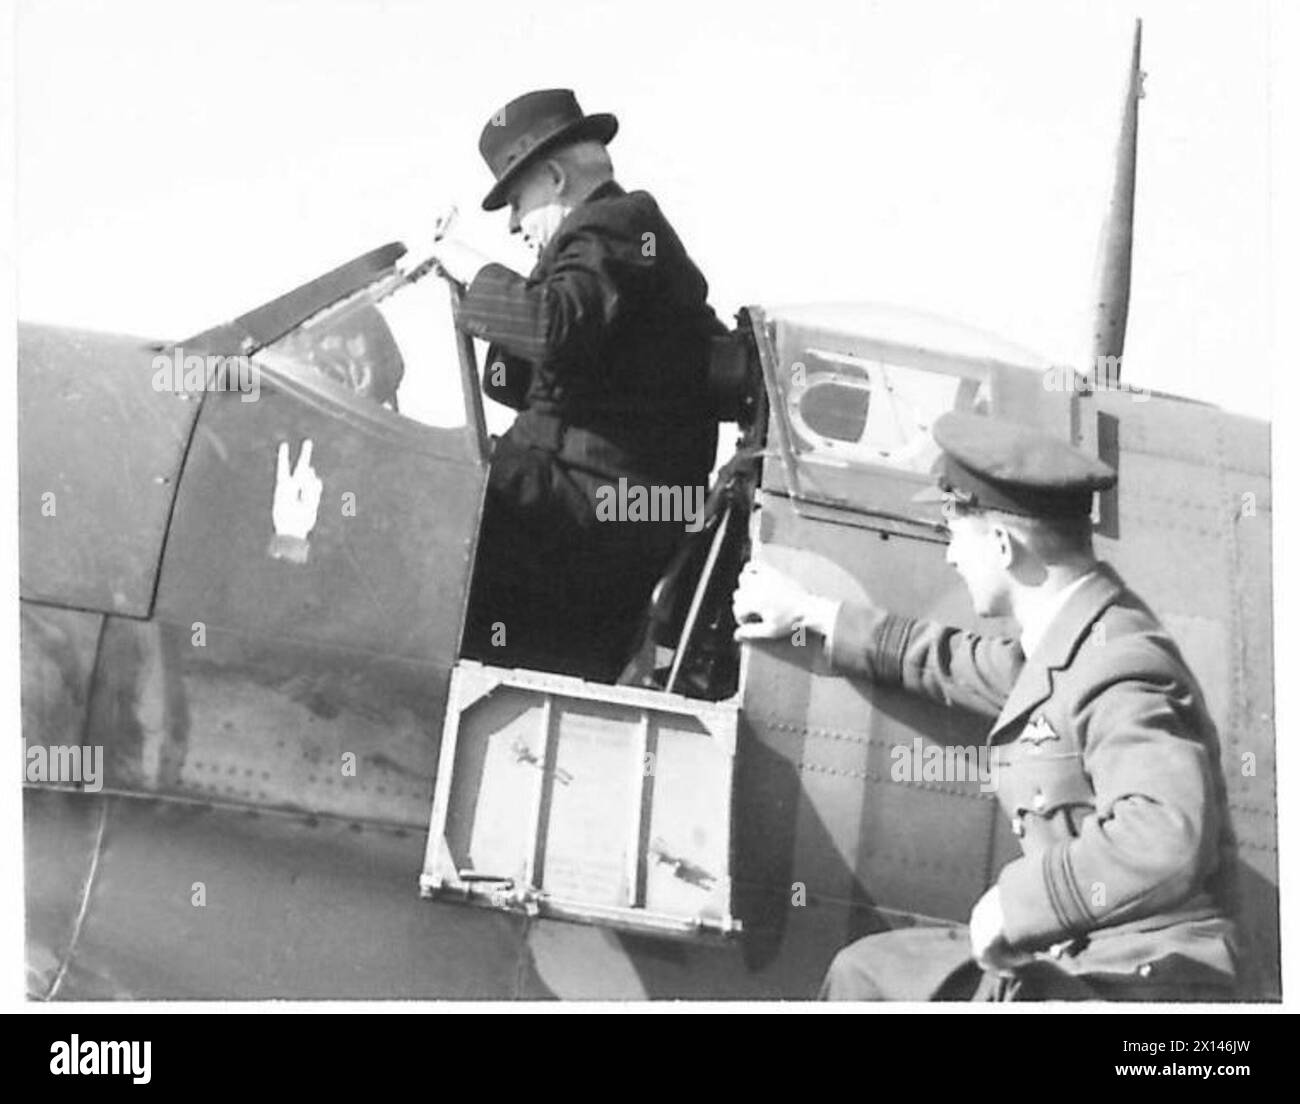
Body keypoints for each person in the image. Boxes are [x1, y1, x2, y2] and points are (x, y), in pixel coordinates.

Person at [732, 411, 1242, 1001]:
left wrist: (1017, 905)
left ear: (1002, 545)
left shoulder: (1122, 666)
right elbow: (955, 662)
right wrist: (814, 615)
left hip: (1148, 980)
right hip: (1091, 951)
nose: (951, 556)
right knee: (867, 973)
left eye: (955, 534)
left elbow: (1164, 837)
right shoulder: (1076, 638)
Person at [430, 89, 724, 681]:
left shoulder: (619, 225)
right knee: (428, 473)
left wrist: (469, 266)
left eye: (516, 202)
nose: (513, 224)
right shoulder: (600, 248)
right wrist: (497, 296)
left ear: (556, 177)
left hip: (594, 504)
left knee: (417, 491)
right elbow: (517, 378)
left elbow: (551, 328)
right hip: (590, 499)